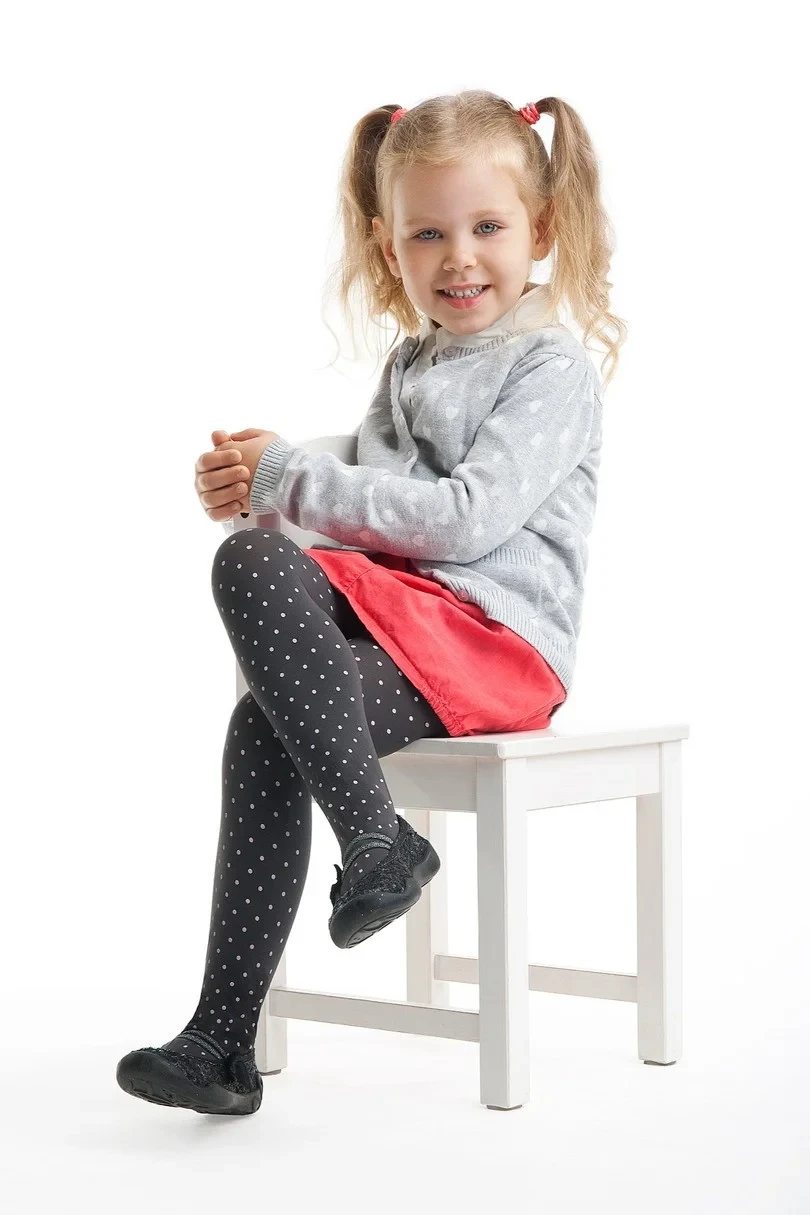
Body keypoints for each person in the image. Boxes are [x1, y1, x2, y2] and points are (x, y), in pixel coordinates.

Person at [116, 89, 626, 1116]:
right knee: (253, 585)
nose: (459, 258)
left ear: (541, 231)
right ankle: (226, 1037)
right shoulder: (411, 362)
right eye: (428, 234)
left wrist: (293, 478)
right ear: (390, 249)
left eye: (487, 227)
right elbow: (366, 501)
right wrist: (259, 481)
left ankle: (374, 849)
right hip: (409, 624)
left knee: (264, 644)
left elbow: (463, 522)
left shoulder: (551, 367)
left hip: (496, 644)